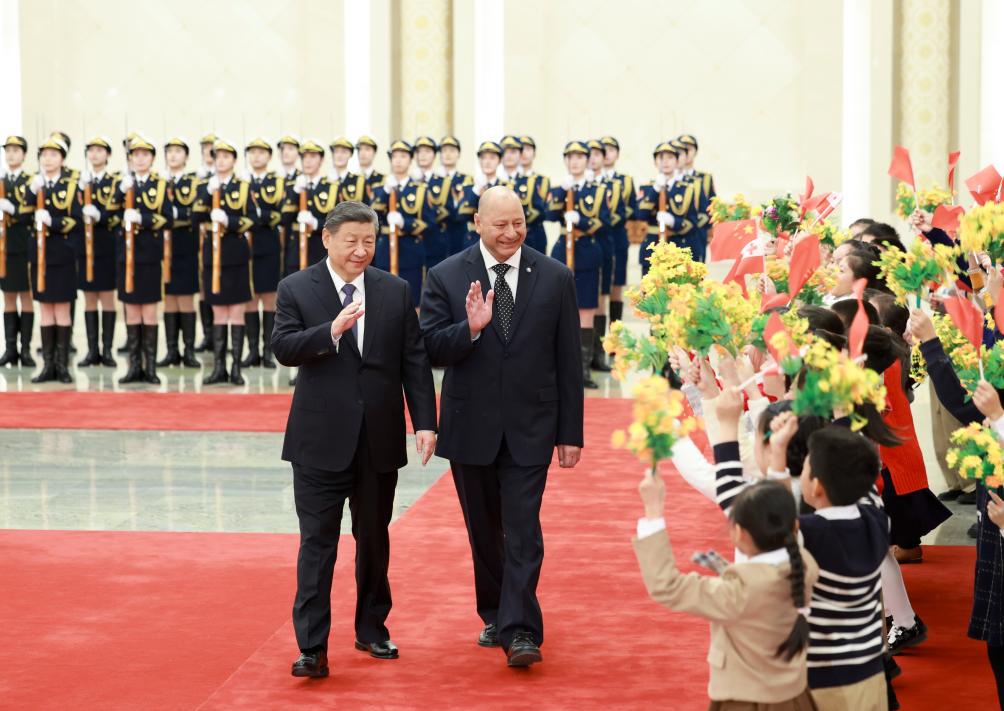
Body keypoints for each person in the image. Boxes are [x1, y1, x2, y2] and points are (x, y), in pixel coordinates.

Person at [420, 185, 584, 667]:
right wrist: (470, 329)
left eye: (519, 223)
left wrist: (570, 432)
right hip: (470, 425)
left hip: (533, 424)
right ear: (477, 222)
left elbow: (568, 361)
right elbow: (429, 348)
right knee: (484, 530)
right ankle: (495, 611)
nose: (512, 233)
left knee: (523, 528)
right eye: (501, 224)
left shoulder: (555, 276)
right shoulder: (447, 276)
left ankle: (521, 630)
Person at [272, 200, 437, 678]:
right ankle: (312, 646)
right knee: (317, 544)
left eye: (369, 241)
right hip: (319, 440)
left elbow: (414, 361)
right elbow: (283, 348)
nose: (361, 251)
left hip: (378, 439)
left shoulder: (395, 289)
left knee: (373, 539)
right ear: (326, 239)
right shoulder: (296, 288)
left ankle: (372, 628)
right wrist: (331, 330)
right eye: (351, 241)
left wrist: (424, 422)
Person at [714, 397, 891, 711]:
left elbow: (764, 512)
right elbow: (855, 463)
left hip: (820, 683)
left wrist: (774, 453)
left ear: (818, 487)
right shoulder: (875, 519)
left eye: (807, 467)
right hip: (870, 675)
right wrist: (842, 414)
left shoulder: (810, 535)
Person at [635, 474, 819, 710]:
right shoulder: (804, 565)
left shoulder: (739, 592)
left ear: (739, 533)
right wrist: (726, 569)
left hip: (743, 702)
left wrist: (653, 511)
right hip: (794, 698)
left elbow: (667, 586)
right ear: (795, 526)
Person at [192, 138, 259, 386]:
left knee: (237, 312)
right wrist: (206, 196)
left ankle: (235, 369)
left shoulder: (243, 187)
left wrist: (229, 221)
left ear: (233, 160)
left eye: (225, 156)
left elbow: (254, 219)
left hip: (236, 255)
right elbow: (194, 217)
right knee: (219, 312)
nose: (220, 160)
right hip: (214, 256)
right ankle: (219, 367)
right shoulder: (206, 187)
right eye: (217, 156)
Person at [547, 140, 610, 389]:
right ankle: (557, 365)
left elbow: (603, 220)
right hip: (563, 249)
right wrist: (562, 193)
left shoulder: (597, 190)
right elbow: (549, 214)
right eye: (570, 157)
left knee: (586, 310)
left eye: (580, 157)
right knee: (558, 309)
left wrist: (581, 220)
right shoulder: (559, 188)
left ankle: (582, 370)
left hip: (586, 250)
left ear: (587, 161)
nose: (575, 161)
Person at [113, 136, 174, 385]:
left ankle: (150, 367)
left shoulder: (160, 186)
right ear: (130, 159)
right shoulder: (122, 185)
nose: (140, 159)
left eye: (145, 155)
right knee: (131, 313)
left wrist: (143, 219)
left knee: (149, 312)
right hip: (125, 257)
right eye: (135, 155)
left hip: (149, 256)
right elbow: (106, 214)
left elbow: (168, 218)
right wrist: (119, 194)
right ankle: (133, 367)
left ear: (152, 159)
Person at [23, 136, 82, 384]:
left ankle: (62, 365)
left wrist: (53, 223)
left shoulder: (71, 187)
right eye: (44, 155)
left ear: (62, 159)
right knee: (45, 309)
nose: (48, 159)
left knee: (62, 310)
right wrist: (30, 194)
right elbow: (24, 217)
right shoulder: (34, 184)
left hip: (63, 255)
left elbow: (75, 220)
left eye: (53, 155)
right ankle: (48, 365)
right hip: (40, 256)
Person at [369, 140, 436, 306]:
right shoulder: (379, 188)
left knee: (410, 303)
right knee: (384, 302)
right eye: (395, 156)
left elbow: (429, 223)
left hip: (410, 252)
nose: (398, 160)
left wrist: (405, 223)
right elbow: (370, 216)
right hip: (385, 252)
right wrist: (385, 192)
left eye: (403, 156)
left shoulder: (420, 190)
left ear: (411, 160)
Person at [240, 138, 286, 370]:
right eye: (252, 152)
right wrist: (261, 217)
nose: (256, 156)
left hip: (268, 246)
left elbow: (281, 214)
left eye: (261, 152)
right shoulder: (241, 182)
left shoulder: (277, 182)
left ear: (269, 157)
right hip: (246, 247)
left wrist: (261, 217)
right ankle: (252, 351)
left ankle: (268, 351)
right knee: (249, 298)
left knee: (269, 299)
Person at [158, 137, 202, 369]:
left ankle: (189, 351)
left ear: (186, 156)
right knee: (169, 300)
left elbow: (195, 213)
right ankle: (171, 351)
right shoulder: (159, 182)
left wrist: (177, 216)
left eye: (178, 151)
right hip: (163, 248)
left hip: (185, 245)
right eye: (169, 151)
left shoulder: (195, 183)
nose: (173, 155)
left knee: (186, 299)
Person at [75, 137, 119, 368]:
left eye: (100, 150)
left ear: (108, 155)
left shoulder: (115, 182)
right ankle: (93, 350)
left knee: (107, 298)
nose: (95, 154)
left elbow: (118, 213)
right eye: (91, 150)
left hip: (107, 245)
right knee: (90, 298)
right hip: (85, 247)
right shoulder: (79, 183)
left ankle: (108, 350)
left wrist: (100, 215)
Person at [636, 141, 699, 276]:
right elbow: (640, 214)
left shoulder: (687, 188)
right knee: (651, 294)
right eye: (661, 158)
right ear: (655, 162)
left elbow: (693, 223)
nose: (665, 162)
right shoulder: (647, 187)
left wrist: (673, 221)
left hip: (678, 248)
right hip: (652, 249)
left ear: (677, 162)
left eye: (670, 158)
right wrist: (656, 189)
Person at [0, 135, 36, 368]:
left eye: (16, 150)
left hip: (24, 244)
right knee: (8, 297)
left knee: (27, 296)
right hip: (5, 245)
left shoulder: (31, 181)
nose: (11, 154)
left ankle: (26, 350)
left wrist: (13, 209)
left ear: (24, 154)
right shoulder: (1, 180)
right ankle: (10, 348)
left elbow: (31, 212)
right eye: (8, 150)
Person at [600, 136, 635, 337]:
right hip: (599, 238)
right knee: (599, 292)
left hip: (618, 238)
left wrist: (612, 218)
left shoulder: (625, 181)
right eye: (603, 150)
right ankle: (597, 341)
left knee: (616, 287)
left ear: (617, 154)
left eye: (611, 150)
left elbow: (632, 209)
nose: (607, 154)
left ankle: (615, 338)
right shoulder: (590, 181)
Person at [455, 141, 511, 252]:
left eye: (492, 158)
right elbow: (461, 215)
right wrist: (476, 190)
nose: (487, 162)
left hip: (498, 239)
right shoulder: (469, 187)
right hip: (473, 239)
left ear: (499, 161)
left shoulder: (506, 187)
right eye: (484, 158)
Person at [508, 135, 550, 256]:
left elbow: (542, 209)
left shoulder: (542, 180)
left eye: (528, 149)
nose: (525, 153)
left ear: (534, 153)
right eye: (522, 149)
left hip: (536, 232)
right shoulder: (509, 179)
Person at [677, 134, 716, 262]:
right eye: (682, 149)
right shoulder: (670, 178)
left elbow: (711, 206)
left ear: (695, 152)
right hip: (675, 233)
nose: (686, 152)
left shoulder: (704, 178)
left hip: (697, 233)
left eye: (689, 149)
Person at [438, 135, 473, 256]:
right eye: (444, 151)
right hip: (438, 235)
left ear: (458, 154)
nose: (448, 154)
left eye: (452, 151)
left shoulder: (466, 180)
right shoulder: (433, 181)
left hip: (460, 233)